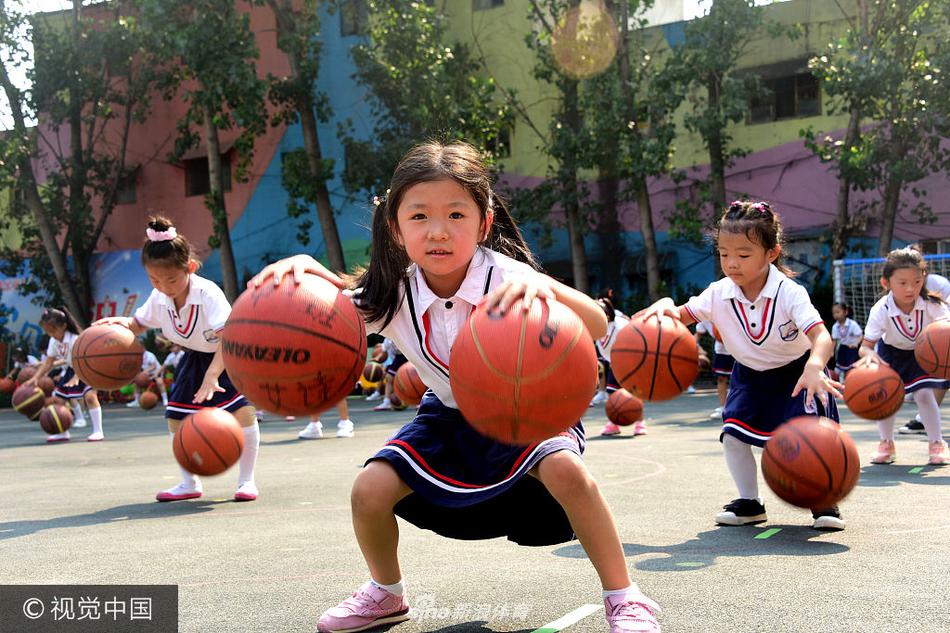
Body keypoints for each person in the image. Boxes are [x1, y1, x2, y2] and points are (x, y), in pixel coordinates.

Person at [252, 141, 661, 633]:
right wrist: (301, 271)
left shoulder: (509, 278)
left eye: (456, 214)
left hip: (522, 407)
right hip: (448, 419)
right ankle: (386, 592)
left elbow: (595, 324)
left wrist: (544, 288)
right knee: (369, 490)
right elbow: (327, 315)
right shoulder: (392, 292)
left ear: (484, 223)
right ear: (396, 229)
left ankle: (625, 596)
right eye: (419, 216)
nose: (438, 230)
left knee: (569, 475)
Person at [640, 200, 845, 531]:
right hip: (749, 377)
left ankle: (823, 500)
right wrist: (664, 308)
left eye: (744, 254)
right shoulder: (718, 293)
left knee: (810, 443)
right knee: (733, 436)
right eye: (724, 254)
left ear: (771, 253)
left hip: (798, 374)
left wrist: (815, 366)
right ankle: (750, 502)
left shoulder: (789, 293)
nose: (731, 263)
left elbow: (822, 337)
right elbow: (679, 315)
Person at [98, 217, 261, 502]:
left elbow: (228, 338)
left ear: (190, 268)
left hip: (228, 354)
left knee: (243, 413)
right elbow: (138, 324)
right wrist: (118, 324)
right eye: (154, 279)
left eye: (171, 279)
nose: (163, 285)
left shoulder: (208, 293)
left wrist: (213, 375)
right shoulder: (158, 298)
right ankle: (189, 484)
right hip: (194, 358)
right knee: (176, 418)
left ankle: (246, 481)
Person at [857, 247, 950, 465]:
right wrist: (869, 356)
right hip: (891, 354)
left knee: (924, 395)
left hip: (923, 355)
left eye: (917, 282)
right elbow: (866, 345)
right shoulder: (880, 309)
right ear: (886, 283)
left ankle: (937, 443)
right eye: (903, 283)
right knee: (887, 399)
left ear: (924, 279)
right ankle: (886, 443)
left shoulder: (933, 305)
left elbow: (944, 334)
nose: (911, 288)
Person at [22, 308, 105, 442]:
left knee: (90, 397)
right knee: (58, 401)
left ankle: (98, 431)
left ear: (64, 326)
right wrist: (35, 378)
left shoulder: (75, 339)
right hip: (72, 369)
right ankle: (62, 432)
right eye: (48, 331)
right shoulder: (54, 341)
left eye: (53, 331)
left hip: (87, 368)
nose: (51, 334)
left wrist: (77, 377)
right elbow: (49, 362)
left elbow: (84, 360)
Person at [595, 298, 647, 437]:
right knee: (612, 393)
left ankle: (640, 423)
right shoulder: (595, 327)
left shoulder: (620, 325)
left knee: (634, 393)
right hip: (614, 363)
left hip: (631, 363)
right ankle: (614, 423)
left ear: (605, 315)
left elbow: (637, 338)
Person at [695, 321, 733, 419]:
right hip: (721, 350)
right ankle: (723, 408)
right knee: (721, 379)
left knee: (738, 380)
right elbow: (696, 336)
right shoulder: (703, 315)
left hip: (738, 350)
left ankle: (736, 407)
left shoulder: (728, 310)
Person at [830, 303, 862, 382]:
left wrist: (856, 343)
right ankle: (841, 386)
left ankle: (851, 384)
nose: (835, 315)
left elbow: (861, 336)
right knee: (839, 369)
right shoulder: (835, 326)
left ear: (845, 312)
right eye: (834, 313)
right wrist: (831, 351)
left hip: (852, 349)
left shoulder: (852, 324)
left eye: (838, 312)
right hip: (842, 349)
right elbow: (834, 340)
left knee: (851, 370)